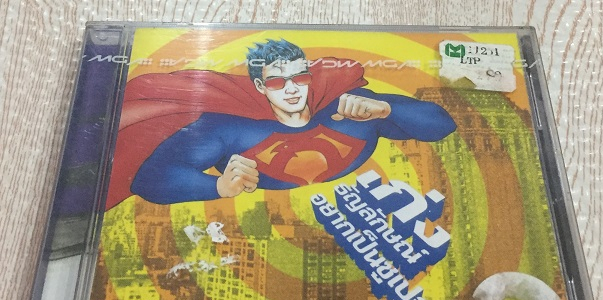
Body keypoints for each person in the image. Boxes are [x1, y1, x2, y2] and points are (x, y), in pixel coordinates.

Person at [107, 39, 456, 207]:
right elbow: (150, 178)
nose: (291, 90)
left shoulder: (350, 108)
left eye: (299, 78)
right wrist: (217, 187)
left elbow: (442, 125)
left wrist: (387, 110)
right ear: (261, 87)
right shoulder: (230, 128)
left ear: (309, 78)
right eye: (277, 82)